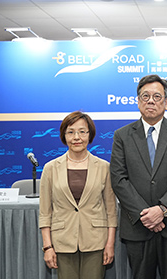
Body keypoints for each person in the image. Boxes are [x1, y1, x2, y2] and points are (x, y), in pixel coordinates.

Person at [110, 74, 167, 279]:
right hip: (138, 227)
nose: (151, 101)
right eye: (145, 96)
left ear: (166, 102)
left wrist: (163, 210)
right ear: (138, 101)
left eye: (157, 96)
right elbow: (118, 179)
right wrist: (146, 214)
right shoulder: (122, 135)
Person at [39, 111, 117, 279]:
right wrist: (47, 247)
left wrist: (110, 244)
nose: (77, 137)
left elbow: (111, 211)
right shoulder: (50, 168)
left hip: (96, 241)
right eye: (71, 132)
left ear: (90, 135)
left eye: (82, 131)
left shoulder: (104, 167)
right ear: (64, 136)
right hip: (63, 241)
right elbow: (45, 212)